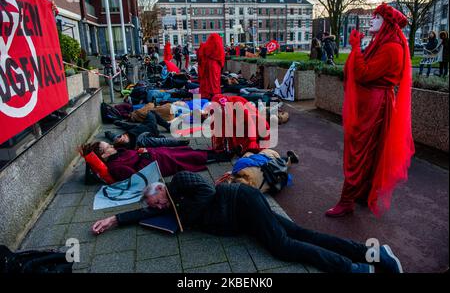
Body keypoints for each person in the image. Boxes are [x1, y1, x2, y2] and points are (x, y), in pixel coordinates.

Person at [91, 171, 404, 273]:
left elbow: (207, 191)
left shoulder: (178, 184)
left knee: (283, 246)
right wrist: (115, 219)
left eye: (157, 202)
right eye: (156, 206)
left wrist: (180, 211)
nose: (159, 207)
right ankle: (372, 254)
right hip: (242, 214)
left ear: (160, 189)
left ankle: (354, 268)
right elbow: (145, 215)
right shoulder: (167, 204)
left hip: (241, 202)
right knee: (297, 231)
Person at [326, 3, 415, 218]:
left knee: (360, 151)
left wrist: (355, 47)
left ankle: (347, 200)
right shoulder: (382, 43)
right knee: (367, 151)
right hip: (373, 103)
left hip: (375, 105)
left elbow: (363, 73)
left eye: (376, 17)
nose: (371, 20)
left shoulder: (392, 47)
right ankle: (362, 194)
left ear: (387, 23)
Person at [80, 142, 233, 182]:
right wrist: (145, 156)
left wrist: (141, 151)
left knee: (188, 151)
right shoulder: (115, 167)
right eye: (108, 147)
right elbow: (137, 178)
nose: (112, 146)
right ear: (104, 155)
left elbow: (132, 154)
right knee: (190, 157)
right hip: (159, 162)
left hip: (156, 154)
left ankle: (219, 153)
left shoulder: (117, 155)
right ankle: (222, 156)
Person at [104, 111, 188, 149]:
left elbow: (113, 136)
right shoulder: (140, 140)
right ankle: (168, 127)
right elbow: (162, 141)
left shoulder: (121, 138)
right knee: (151, 112)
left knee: (128, 126)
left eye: (120, 137)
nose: (121, 137)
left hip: (139, 126)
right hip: (150, 127)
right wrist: (179, 142)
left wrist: (108, 132)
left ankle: (118, 123)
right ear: (127, 144)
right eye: (122, 139)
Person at [198, 34, 224, 100]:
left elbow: (200, 56)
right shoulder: (218, 45)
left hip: (208, 64)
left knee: (208, 80)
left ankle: (208, 95)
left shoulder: (206, 46)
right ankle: (215, 96)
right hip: (215, 65)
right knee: (215, 81)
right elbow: (221, 56)